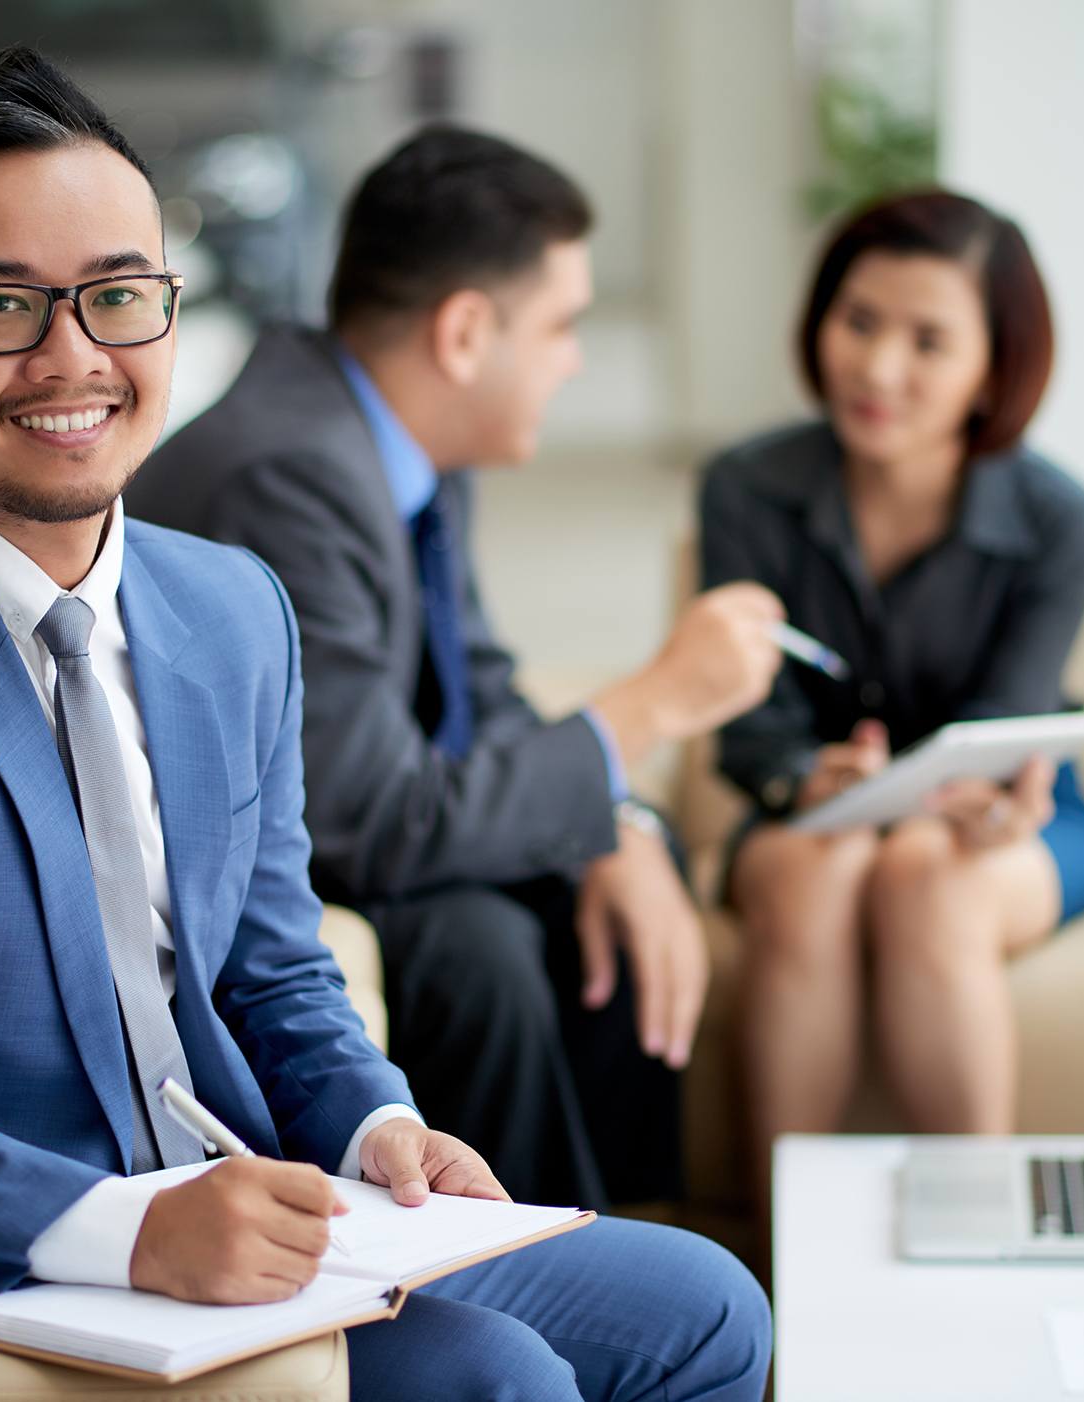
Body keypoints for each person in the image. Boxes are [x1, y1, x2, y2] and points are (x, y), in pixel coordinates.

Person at [0, 48, 768, 1401]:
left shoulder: (234, 608)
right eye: (1, 304)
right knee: (499, 1378)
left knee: (711, 1308)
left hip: (241, 1210)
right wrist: (131, 1226)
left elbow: (277, 968)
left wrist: (378, 1126)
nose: (73, 359)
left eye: (119, 296)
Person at [130, 127, 783, 1210]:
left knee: (593, 887)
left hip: (353, 819)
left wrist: (617, 823)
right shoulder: (289, 473)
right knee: (478, 947)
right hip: (239, 865)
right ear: (467, 332)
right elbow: (373, 819)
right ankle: (542, 1271)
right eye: (563, 325)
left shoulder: (407, 441)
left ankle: (622, 1252)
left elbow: (478, 690)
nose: (576, 357)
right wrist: (656, 701)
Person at [699, 190, 1084, 1203]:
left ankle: (975, 1246)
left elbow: (1008, 730)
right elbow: (749, 735)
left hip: (998, 825)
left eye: (929, 341)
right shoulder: (745, 487)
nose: (878, 368)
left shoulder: (1062, 522)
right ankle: (775, 1280)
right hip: (812, 818)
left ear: (992, 366)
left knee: (926, 870)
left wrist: (995, 800)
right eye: (860, 322)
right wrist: (809, 778)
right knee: (823, 866)